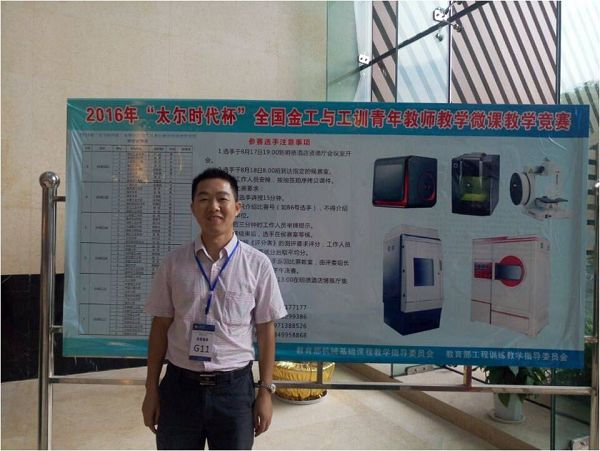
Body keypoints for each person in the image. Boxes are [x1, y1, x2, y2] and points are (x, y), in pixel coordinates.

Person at [142, 168, 287, 450]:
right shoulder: (172, 264)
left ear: (237, 208)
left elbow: (266, 331)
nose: (214, 207)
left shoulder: (258, 264)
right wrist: (151, 389)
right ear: (193, 208)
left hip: (234, 391)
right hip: (179, 388)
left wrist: (265, 392)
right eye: (204, 199)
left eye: (222, 198)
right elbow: (160, 328)